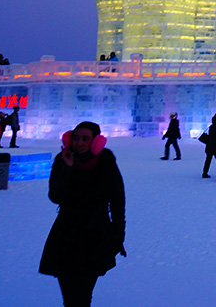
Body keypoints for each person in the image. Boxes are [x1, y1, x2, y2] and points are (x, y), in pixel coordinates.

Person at [39, 121, 126, 305]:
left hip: (95, 236)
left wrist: (117, 237)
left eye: (85, 139)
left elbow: (118, 202)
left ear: (96, 141)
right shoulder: (62, 160)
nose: (79, 143)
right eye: (76, 138)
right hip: (66, 234)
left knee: (83, 295)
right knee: (70, 296)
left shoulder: (106, 161)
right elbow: (55, 196)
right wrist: (68, 168)